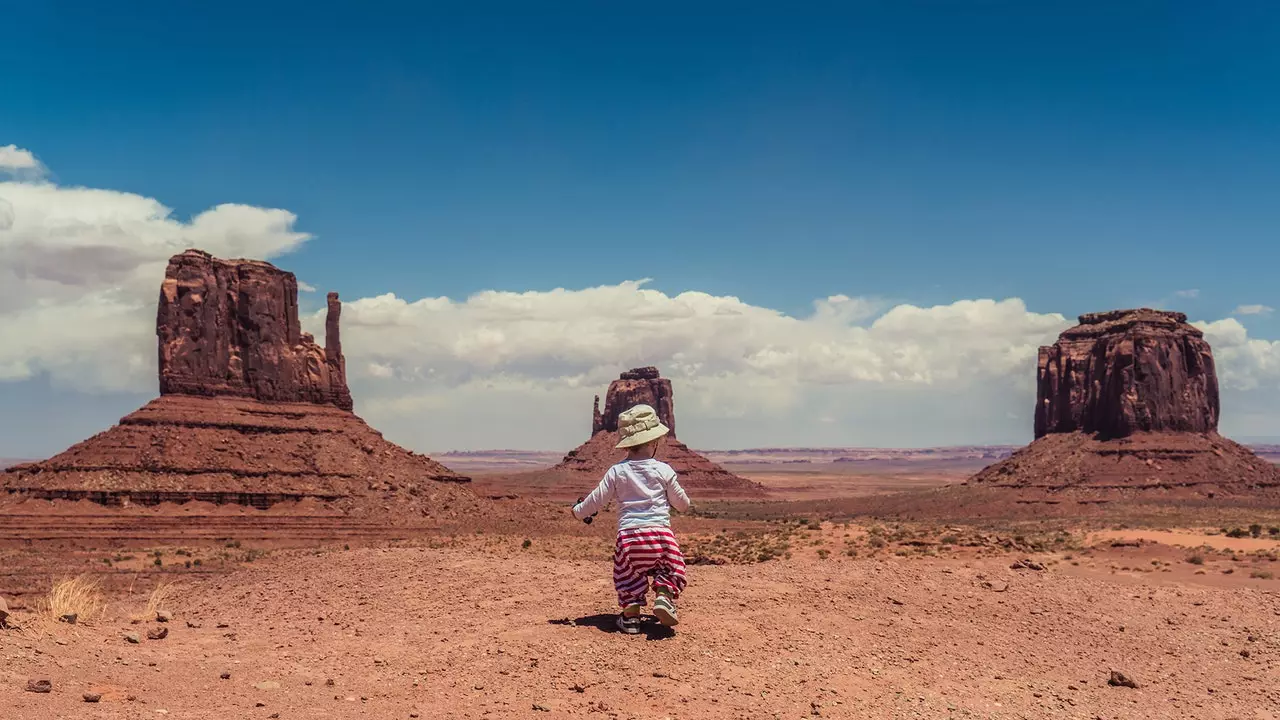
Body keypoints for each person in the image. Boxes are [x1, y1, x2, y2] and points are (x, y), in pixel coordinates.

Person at [572, 403, 692, 634]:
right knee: (670, 568)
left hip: (629, 538)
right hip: (660, 536)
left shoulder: (617, 471)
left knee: (628, 577)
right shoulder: (664, 470)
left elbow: (595, 501)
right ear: (654, 440)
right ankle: (664, 597)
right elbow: (683, 505)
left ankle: (630, 618)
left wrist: (577, 511)